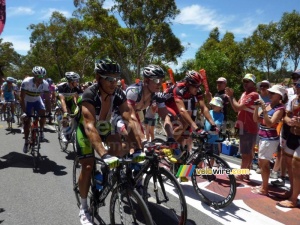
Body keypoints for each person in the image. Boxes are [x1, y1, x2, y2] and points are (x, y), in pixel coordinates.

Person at [76, 58, 138, 225]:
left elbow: (128, 119)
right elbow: (89, 126)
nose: (113, 83)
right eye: (109, 79)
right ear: (98, 78)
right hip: (85, 129)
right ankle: (83, 207)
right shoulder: (90, 94)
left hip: (103, 126)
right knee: (88, 166)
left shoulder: (118, 93)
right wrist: (103, 154)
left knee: (119, 146)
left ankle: (104, 175)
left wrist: (139, 148)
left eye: (116, 78)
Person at [126, 64, 175, 147]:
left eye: (161, 80)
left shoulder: (157, 95)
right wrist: (144, 139)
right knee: (134, 142)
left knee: (140, 147)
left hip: (135, 115)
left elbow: (165, 117)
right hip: (121, 114)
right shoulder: (134, 91)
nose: (159, 84)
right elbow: (131, 116)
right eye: (156, 81)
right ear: (146, 80)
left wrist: (170, 136)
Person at [252, 85, 287, 196]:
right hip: (263, 137)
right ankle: (264, 185)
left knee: (264, 163)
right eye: (270, 92)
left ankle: (265, 188)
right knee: (261, 162)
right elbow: (256, 119)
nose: (270, 94)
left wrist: (264, 110)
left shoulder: (280, 109)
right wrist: (257, 107)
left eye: (273, 93)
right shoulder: (267, 105)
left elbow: (270, 123)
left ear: (279, 96)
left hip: (270, 139)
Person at [225, 73, 259, 181]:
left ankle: (241, 174)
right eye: (244, 81)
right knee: (247, 152)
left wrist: (231, 96)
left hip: (248, 127)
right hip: (243, 126)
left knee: (245, 153)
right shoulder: (245, 94)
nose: (245, 83)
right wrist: (231, 97)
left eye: (248, 81)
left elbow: (238, 106)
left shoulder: (253, 95)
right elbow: (236, 108)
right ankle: (246, 173)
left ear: (253, 83)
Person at [272, 70, 300, 187]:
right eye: (294, 77)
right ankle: (282, 177)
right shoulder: (288, 92)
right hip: (287, 127)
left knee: (296, 158)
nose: (296, 79)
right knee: (283, 152)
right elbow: (282, 107)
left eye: (298, 77)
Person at [277, 78, 300, 208]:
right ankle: (292, 191)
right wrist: (288, 120)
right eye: (296, 84)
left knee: (296, 164)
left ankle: (293, 199)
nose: (297, 87)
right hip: (293, 134)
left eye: (299, 85)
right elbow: (285, 115)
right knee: (288, 161)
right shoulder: (294, 100)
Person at [20, 66, 51, 153]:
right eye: (39, 76)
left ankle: (41, 130)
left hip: (37, 99)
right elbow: (21, 97)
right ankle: (26, 142)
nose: (41, 78)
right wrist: (24, 112)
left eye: (42, 77)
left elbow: (47, 99)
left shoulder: (45, 84)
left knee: (43, 113)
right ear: (34, 75)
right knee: (27, 121)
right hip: (27, 100)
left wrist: (49, 111)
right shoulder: (26, 82)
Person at [56, 72, 83, 142]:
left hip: (70, 100)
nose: (78, 82)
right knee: (66, 114)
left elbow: (82, 98)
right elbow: (62, 100)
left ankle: (72, 130)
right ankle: (63, 133)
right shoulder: (62, 87)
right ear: (71, 81)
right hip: (61, 101)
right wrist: (65, 112)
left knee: (76, 114)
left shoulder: (77, 87)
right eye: (76, 81)